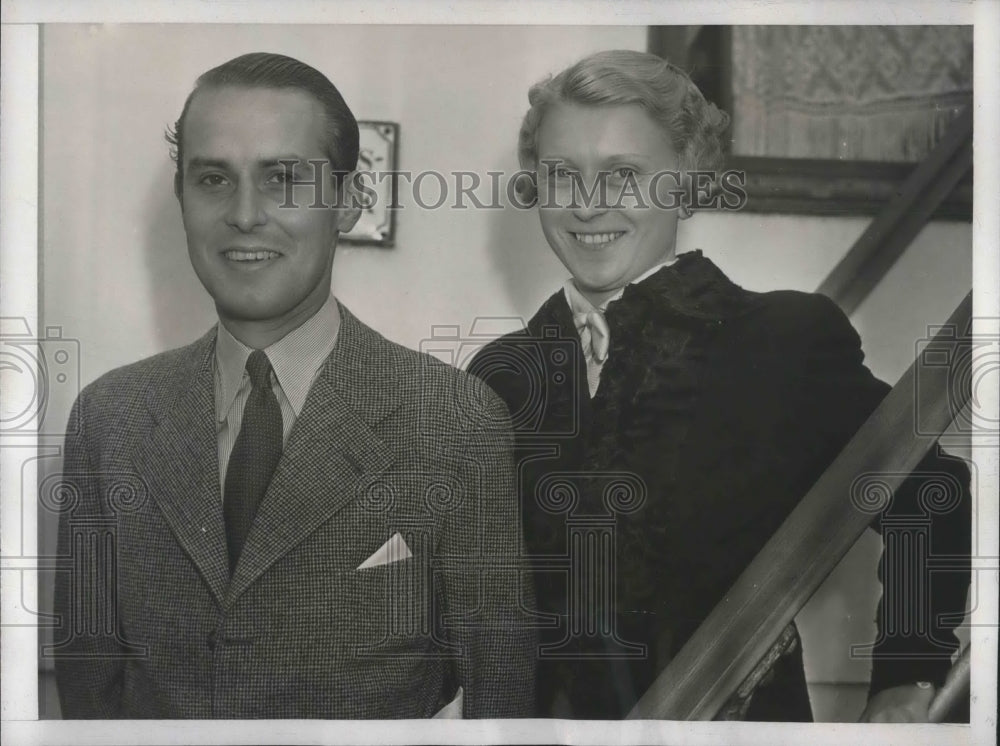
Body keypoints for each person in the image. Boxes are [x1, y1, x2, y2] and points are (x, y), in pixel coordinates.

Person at [468, 49, 971, 721]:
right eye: (561, 176)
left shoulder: (784, 340)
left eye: (624, 175)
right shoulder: (501, 373)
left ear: (686, 179)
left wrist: (905, 680)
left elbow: (928, 493)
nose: (587, 205)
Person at [52, 52, 534, 719]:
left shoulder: (454, 419)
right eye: (213, 178)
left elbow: (499, 700)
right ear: (182, 198)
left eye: (283, 178)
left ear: (348, 201)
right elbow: (88, 698)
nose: (245, 214)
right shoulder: (109, 418)